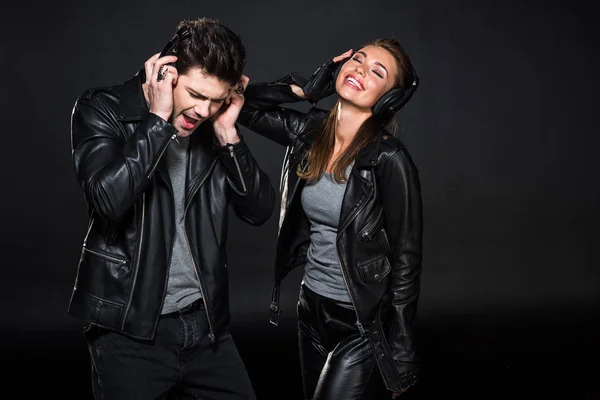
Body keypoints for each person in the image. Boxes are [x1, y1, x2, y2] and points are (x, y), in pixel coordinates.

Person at [68, 17, 274, 400]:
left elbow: (258, 211)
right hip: (129, 333)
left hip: (206, 326)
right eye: (196, 94)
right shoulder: (103, 108)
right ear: (167, 72)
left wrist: (229, 134)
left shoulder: (213, 128)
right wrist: (157, 121)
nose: (204, 110)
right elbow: (108, 202)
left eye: (216, 100)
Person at [238, 38, 422, 399]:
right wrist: (303, 91)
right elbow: (241, 107)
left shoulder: (390, 159)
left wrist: (402, 352)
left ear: (389, 98)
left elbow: (407, 260)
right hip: (311, 310)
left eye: (377, 72)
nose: (359, 70)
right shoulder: (310, 132)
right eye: (358, 59)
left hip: (361, 323)